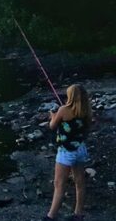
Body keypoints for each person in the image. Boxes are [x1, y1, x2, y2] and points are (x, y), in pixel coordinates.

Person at [43, 84, 93, 221]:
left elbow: (52, 126)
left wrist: (53, 116)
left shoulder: (63, 109)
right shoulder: (86, 111)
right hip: (81, 149)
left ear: (71, 96)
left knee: (59, 184)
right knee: (80, 182)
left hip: (66, 152)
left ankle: (51, 216)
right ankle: (78, 214)